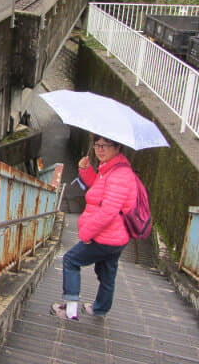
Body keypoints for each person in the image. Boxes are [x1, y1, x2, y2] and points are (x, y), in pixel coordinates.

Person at [51, 134, 138, 320]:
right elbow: (98, 189)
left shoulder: (120, 175)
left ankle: (71, 311)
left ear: (118, 148)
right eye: (97, 145)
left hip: (106, 236)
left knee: (71, 260)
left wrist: (86, 233)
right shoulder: (111, 169)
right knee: (106, 272)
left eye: (106, 145)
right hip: (116, 237)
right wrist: (86, 170)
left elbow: (109, 211)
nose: (100, 149)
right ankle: (100, 309)